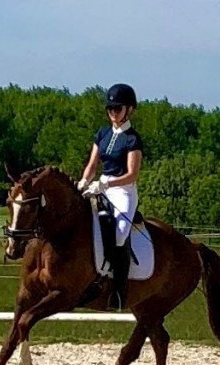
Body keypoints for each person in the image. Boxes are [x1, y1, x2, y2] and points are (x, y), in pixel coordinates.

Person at [78, 83, 143, 310]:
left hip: (123, 190)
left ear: (129, 110)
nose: (113, 113)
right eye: (110, 109)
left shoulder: (132, 139)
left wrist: (107, 183)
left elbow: (132, 174)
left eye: (118, 108)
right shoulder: (103, 133)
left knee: (119, 235)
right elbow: (92, 164)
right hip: (99, 185)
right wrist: (84, 182)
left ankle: (118, 289)